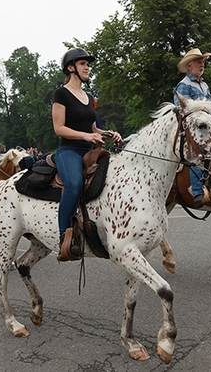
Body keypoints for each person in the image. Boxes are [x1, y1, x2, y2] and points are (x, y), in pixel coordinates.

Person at [53, 48, 121, 260]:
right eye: (83, 64)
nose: (87, 67)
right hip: (69, 150)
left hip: (90, 150)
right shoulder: (61, 93)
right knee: (74, 184)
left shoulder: (88, 97)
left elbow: (93, 128)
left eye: (88, 64)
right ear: (70, 67)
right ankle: (65, 236)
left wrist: (108, 133)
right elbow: (59, 128)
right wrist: (85, 136)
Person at [174, 48, 211, 208]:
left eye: (203, 62)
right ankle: (197, 191)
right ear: (189, 66)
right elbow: (180, 109)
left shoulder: (204, 85)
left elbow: (208, 107)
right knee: (198, 154)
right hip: (194, 130)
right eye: (198, 62)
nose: (202, 64)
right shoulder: (184, 85)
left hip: (207, 126)